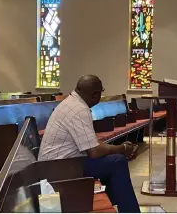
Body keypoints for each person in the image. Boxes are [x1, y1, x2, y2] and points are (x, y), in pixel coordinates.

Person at [38, 75, 140, 212]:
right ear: (95, 95)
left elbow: (90, 141)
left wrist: (120, 148)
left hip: (59, 164)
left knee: (114, 161)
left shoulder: (72, 103)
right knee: (117, 162)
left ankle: (112, 203)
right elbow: (94, 151)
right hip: (60, 168)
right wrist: (122, 148)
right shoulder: (79, 109)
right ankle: (129, 210)